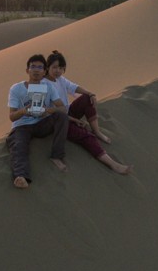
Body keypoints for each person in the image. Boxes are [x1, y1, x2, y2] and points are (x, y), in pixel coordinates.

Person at [45, 50, 131, 175]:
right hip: (61, 121)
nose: (58, 70)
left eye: (61, 68)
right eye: (54, 67)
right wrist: (74, 120)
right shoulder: (44, 85)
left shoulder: (60, 79)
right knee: (86, 136)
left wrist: (90, 93)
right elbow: (51, 112)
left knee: (86, 98)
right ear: (48, 67)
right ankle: (113, 164)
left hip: (69, 112)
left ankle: (97, 131)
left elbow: (74, 87)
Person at [7, 54, 69, 189]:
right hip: (22, 126)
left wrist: (49, 110)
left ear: (44, 71)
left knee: (62, 117)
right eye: (32, 67)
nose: (36, 70)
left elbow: (63, 108)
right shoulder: (16, 89)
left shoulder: (49, 88)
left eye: (40, 67)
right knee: (18, 146)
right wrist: (24, 111)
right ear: (27, 70)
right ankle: (21, 176)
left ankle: (57, 156)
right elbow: (12, 116)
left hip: (42, 123)